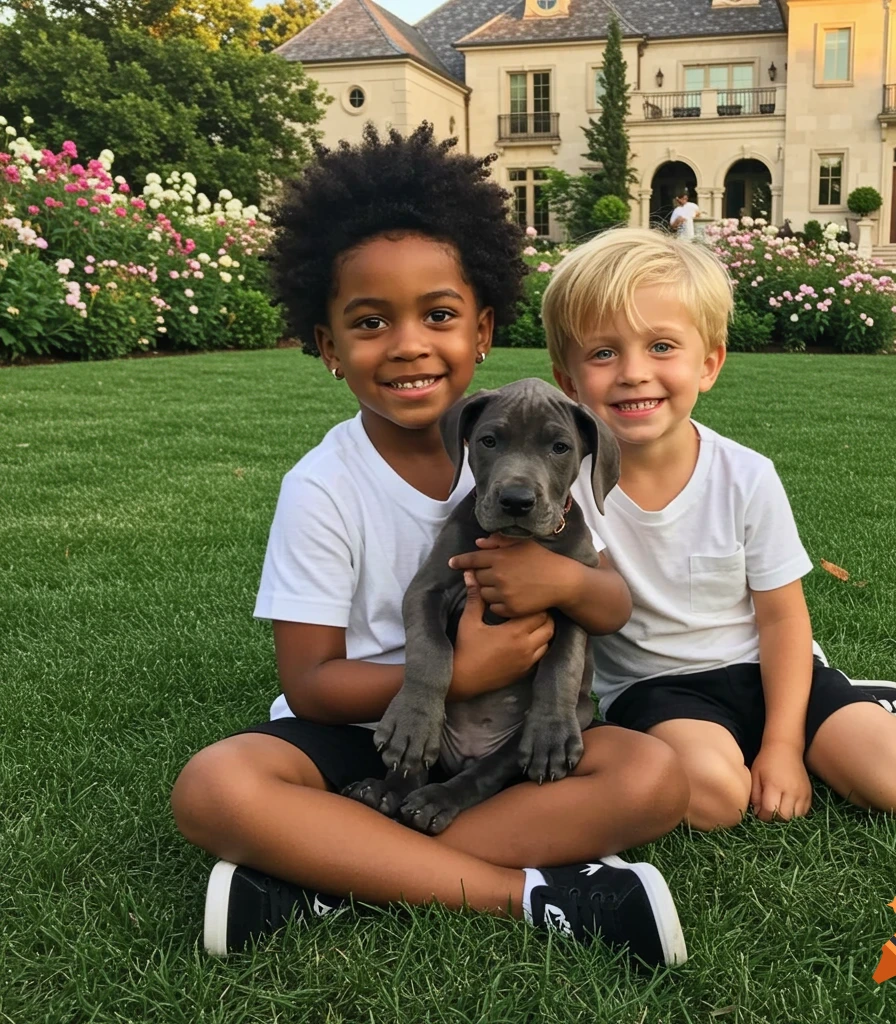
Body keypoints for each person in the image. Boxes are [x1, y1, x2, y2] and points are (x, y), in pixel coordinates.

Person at [170, 125, 690, 968]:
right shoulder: (322, 486)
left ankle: (331, 872)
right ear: (329, 348)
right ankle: (529, 893)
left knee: (658, 776)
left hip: (505, 741)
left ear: (481, 329)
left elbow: (606, 606)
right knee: (214, 788)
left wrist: (554, 589)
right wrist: (453, 676)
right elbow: (307, 686)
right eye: (371, 322)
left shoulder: (542, 479)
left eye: (438, 315)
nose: (409, 343)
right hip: (369, 724)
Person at [542, 227, 896, 831]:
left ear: (708, 364)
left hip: (768, 669)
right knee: (714, 798)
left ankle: (850, 707)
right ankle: (752, 746)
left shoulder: (746, 475)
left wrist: (783, 746)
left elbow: (782, 618)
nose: (631, 372)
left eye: (661, 347)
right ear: (568, 382)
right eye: (602, 353)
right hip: (658, 689)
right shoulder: (564, 487)